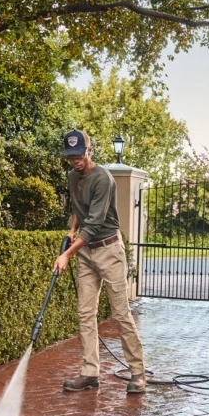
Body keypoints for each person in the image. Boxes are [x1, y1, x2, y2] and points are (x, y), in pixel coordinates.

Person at [52, 129, 147, 394]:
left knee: (120, 313)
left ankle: (138, 373)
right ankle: (89, 373)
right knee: (85, 314)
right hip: (86, 252)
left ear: (89, 151)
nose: (75, 161)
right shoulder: (72, 176)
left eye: (79, 155)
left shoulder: (103, 178)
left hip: (108, 250)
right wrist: (71, 231)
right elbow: (78, 209)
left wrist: (66, 254)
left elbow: (93, 224)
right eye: (71, 156)